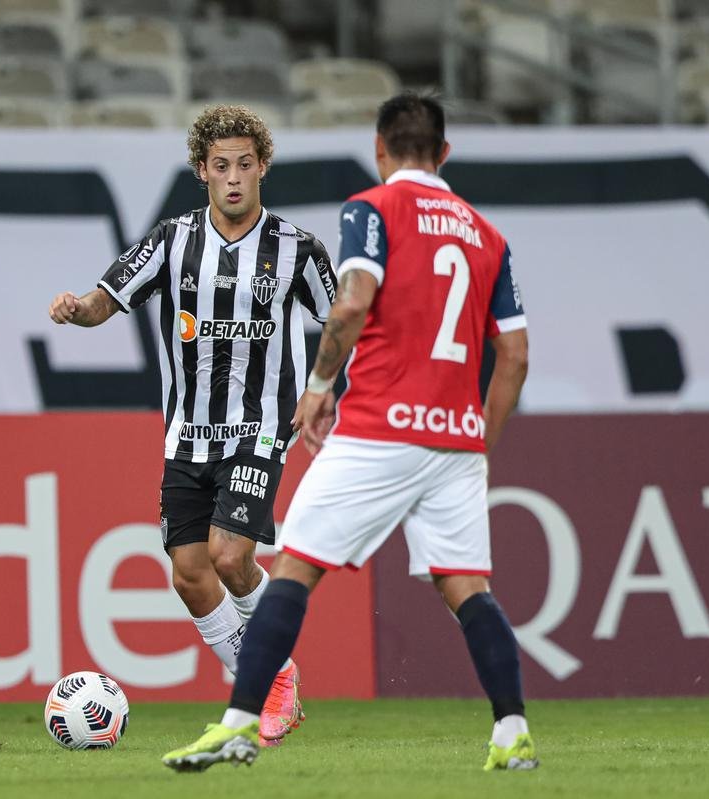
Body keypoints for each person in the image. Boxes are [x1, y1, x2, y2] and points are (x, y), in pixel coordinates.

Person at [161, 92, 537, 772]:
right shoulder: (488, 235)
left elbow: (354, 299)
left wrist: (318, 386)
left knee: (293, 569)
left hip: (381, 427)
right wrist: (478, 443)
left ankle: (238, 723)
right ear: (445, 153)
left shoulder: (372, 209)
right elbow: (514, 356)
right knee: (467, 587)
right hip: (456, 438)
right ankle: (512, 730)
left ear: (381, 150)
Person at [50, 105, 337, 747]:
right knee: (188, 573)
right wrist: (75, 309)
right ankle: (272, 679)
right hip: (187, 434)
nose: (233, 178)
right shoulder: (171, 241)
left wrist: (325, 389)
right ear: (201, 172)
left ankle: (271, 683)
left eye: (244, 165)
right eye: (220, 166)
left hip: (260, 428)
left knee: (230, 556)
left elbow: (345, 321)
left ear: (262, 167)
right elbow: (105, 300)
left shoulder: (296, 249)